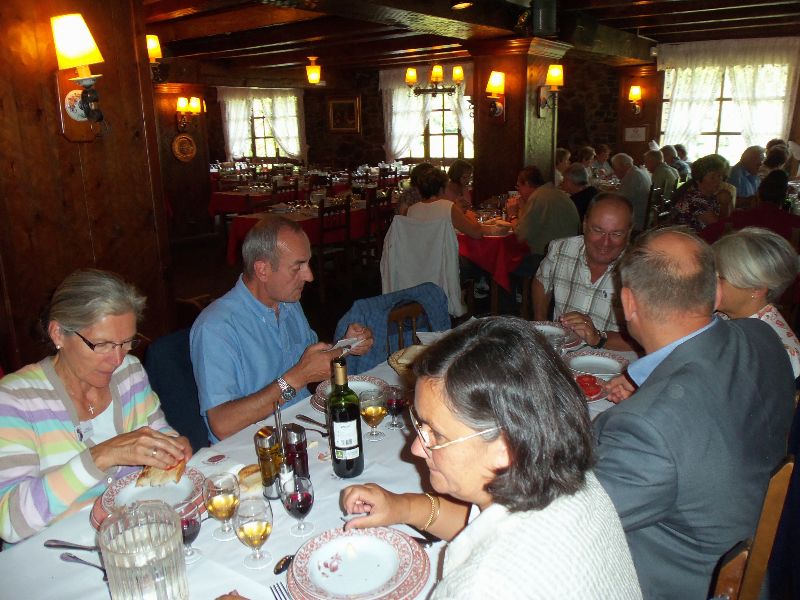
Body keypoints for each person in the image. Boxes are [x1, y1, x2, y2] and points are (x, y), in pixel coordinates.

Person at [341, 317, 643, 598]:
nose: (416, 449)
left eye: (437, 435)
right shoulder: (575, 481)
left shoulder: (484, 585)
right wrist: (404, 507)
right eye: (420, 425)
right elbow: (483, 528)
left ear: (507, 447)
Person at [595, 227, 794, 598]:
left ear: (628, 303)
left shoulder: (647, 429)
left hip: (686, 582)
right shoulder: (762, 336)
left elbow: (574, 518)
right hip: (749, 545)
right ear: (716, 293)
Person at [0, 269, 192, 543]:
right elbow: (10, 522)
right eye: (101, 344)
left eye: (126, 343)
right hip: (55, 553)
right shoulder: (14, 399)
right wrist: (100, 457)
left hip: (135, 536)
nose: (116, 359)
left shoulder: (129, 372)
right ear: (58, 334)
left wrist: (172, 445)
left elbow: (159, 432)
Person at [190, 216, 374, 443]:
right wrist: (297, 378)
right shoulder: (216, 327)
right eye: (298, 267)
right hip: (255, 448)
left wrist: (346, 345)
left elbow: (309, 362)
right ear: (262, 270)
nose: (309, 276)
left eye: (308, 264)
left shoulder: (288, 304)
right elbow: (222, 425)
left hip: (303, 429)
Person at [533, 192, 636, 351]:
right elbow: (541, 280)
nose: (605, 242)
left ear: (629, 233)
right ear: (585, 225)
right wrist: (541, 323)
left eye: (616, 234)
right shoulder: (560, 249)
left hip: (614, 359)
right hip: (562, 353)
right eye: (598, 230)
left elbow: (648, 340)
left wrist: (599, 337)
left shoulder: (641, 270)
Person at [713, 227, 800, 377]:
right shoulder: (725, 316)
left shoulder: (771, 351)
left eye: (720, 278)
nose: (707, 282)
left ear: (756, 289)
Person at [512, 165, 580, 276]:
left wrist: (513, 216)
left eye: (519, 187)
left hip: (547, 258)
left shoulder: (537, 197)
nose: (518, 191)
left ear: (527, 184)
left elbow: (519, 236)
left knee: (505, 263)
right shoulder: (555, 193)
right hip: (568, 255)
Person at [699, 170, 800, 244]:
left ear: (758, 194)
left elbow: (704, 238)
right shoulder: (794, 224)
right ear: (785, 196)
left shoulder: (738, 218)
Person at [407, 167, 483, 238]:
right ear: (441, 189)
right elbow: (477, 233)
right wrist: (469, 215)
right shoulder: (448, 207)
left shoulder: (411, 210)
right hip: (443, 248)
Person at [670, 153, 730, 231]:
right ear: (698, 179)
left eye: (720, 176)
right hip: (683, 238)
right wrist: (725, 204)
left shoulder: (712, 195)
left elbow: (729, 222)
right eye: (713, 177)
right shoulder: (694, 199)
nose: (719, 181)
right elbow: (720, 229)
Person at [612, 153, 652, 231]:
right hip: (644, 215)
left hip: (637, 219)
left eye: (615, 168)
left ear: (623, 166)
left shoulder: (632, 175)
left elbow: (621, 200)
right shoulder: (639, 171)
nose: (615, 171)